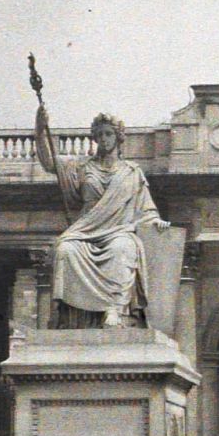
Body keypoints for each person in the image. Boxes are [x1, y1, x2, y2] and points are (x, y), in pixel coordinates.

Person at [34, 103, 166, 328]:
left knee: (121, 249)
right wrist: (40, 130)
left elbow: (145, 208)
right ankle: (63, 314)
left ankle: (113, 309)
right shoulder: (82, 167)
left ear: (118, 137)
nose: (104, 139)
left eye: (108, 134)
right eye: (100, 135)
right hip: (86, 231)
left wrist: (155, 221)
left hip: (119, 232)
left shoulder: (131, 172)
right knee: (65, 249)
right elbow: (48, 162)